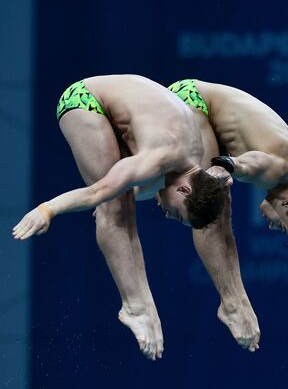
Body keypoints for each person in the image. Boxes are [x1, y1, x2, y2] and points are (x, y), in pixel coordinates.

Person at [12, 75, 260, 359]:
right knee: (114, 202)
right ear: (183, 188)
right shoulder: (157, 159)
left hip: (139, 110)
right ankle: (134, 306)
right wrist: (47, 210)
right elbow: (96, 194)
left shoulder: (197, 166)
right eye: (178, 215)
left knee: (134, 190)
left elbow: (212, 182)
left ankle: (190, 303)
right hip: (84, 100)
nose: (168, 216)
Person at [168, 79, 288, 249]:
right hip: (189, 100)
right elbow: (254, 163)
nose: (271, 226)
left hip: (192, 93)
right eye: (281, 226)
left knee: (215, 201)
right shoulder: (274, 175)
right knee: (206, 212)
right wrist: (229, 165)